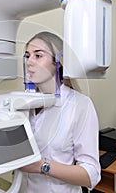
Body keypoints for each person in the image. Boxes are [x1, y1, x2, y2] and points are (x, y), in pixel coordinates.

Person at [18, 31, 101, 193]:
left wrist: (42, 166)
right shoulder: (22, 103)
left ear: (58, 62)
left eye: (38, 55)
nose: (29, 62)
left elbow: (91, 174)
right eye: (27, 56)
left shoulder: (80, 105)